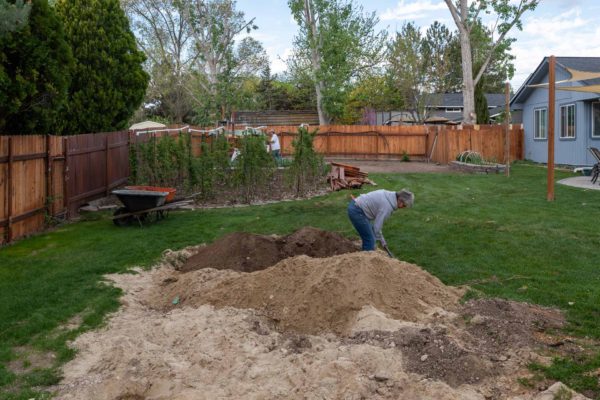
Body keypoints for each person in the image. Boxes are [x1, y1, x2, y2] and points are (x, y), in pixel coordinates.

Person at [347, 189, 414, 251]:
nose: (403, 208)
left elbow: (375, 228)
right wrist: (382, 241)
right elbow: (376, 227)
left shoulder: (389, 195)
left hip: (357, 206)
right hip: (357, 211)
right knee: (370, 240)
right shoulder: (387, 207)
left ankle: (366, 251)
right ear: (400, 200)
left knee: (370, 235)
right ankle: (365, 261)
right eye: (404, 205)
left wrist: (380, 238)